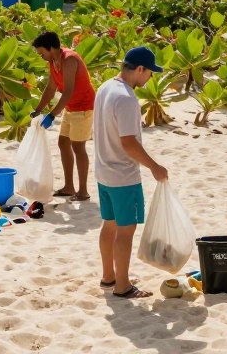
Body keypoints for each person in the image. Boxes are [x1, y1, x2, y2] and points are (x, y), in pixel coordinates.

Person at [93, 46, 168, 300]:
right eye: (150, 73)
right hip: (122, 175)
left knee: (110, 225)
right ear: (140, 69)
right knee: (125, 230)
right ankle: (122, 285)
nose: (150, 79)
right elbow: (129, 143)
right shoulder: (126, 98)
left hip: (104, 171)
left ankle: (108, 276)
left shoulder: (105, 87)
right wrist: (154, 166)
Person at [31, 31, 97, 201]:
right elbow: (51, 88)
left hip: (83, 107)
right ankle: (69, 187)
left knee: (78, 147)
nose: (41, 56)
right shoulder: (53, 62)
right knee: (63, 142)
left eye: (42, 52)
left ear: (52, 48)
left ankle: (83, 191)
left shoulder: (70, 60)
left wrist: (52, 115)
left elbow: (68, 91)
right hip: (70, 107)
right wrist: (38, 110)